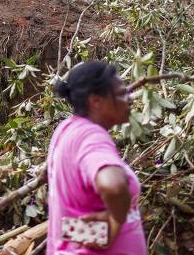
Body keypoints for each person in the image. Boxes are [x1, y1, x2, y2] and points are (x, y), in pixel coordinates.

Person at [46, 61, 146, 254]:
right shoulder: (91, 138)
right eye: (121, 94)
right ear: (96, 101)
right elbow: (114, 186)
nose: (130, 99)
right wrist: (115, 222)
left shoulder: (67, 129)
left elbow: (72, 213)